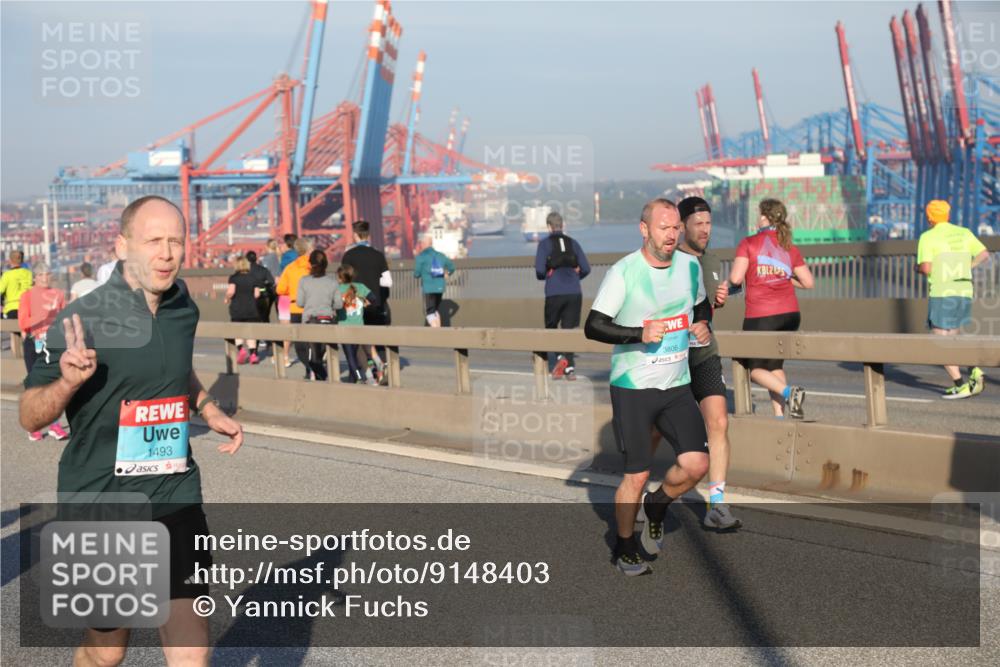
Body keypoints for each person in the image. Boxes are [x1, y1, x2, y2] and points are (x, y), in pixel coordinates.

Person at [19, 195, 244, 666]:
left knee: (191, 652)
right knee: (106, 652)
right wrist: (66, 382)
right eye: (154, 241)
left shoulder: (183, 304)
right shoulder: (80, 319)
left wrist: (205, 405)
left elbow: (175, 368)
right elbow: (30, 415)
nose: (166, 253)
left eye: (176, 241)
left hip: (175, 492)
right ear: (122, 246)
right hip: (103, 501)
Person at [584, 198, 712, 576]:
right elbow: (593, 326)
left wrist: (703, 323)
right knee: (636, 475)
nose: (672, 235)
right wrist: (639, 332)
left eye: (676, 228)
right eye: (663, 228)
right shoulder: (625, 272)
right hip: (634, 387)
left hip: (676, 384)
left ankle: (657, 504)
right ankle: (624, 547)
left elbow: (701, 306)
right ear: (644, 229)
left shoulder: (690, 266)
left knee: (696, 464)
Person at [677, 196, 740, 531]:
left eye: (709, 223)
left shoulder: (713, 260)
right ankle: (642, 490)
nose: (705, 230)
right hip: (671, 358)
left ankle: (716, 505)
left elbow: (713, 306)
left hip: (704, 353)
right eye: (698, 223)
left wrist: (720, 299)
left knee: (718, 422)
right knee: (659, 431)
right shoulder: (670, 260)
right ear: (683, 224)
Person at [728, 198, 814, 419]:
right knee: (774, 365)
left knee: (753, 368)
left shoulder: (748, 243)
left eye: (759, 214)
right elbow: (808, 282)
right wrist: (784, 277)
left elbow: (736, 278)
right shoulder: (789, 246)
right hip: (790, 314)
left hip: (761, 315)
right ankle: (779, 417)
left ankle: (790, 391)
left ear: (764, 217)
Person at [917, 199, 991, 399]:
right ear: (948, 215)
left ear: (929, 217)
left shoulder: (928, 237)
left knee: (941, 342)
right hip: (964, 291)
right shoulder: (964, 232)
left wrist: (918, 268)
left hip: (942, 292)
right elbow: (984, 254)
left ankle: (964, 382)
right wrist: (967, 267)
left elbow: (926, 268)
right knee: (953, 339)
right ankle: (970, 375)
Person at [535, 211, 590, 380]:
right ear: (562, 225)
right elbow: (586, 268)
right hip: (574, 291)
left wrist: (548, 274)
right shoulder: (573, 243)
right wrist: (575, 276)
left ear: (549, 227)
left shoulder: (544, 244)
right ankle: (570, 369)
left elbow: (539, 271)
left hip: (554, 292)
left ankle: (560, 357)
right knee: (569, 330)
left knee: (551, 328)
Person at [17, 261, 69, 441]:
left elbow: (65, 316)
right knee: (35, 386)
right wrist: (45, 313)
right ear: (35, 278)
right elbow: (23, 322)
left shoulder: (58, 294)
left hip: (54, 343)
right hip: (35, 343)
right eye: (41, 275)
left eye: (48, 274)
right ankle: (34, 426)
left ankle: (55, 425)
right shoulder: (27, 296)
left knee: (54, 384)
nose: (45, 278)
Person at [341, 220, 392, 383]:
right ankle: (381, 368)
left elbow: (345, 281)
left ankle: (368, 374)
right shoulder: (378, 255)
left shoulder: (349, 255)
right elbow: (388, 282)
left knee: (358, 342)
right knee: (375, 340)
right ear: (368, 235)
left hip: (355, 306)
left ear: (355, 235)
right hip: (375, 304)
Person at [296, 250, 343, 382]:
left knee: (312, 358)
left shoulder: (304, 281)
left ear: (310, 264)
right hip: (328, 321)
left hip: (310, 321)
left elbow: (300, 303)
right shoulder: (333, 282)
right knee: (321, 353)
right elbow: (339, 305)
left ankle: (322, 377)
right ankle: (324, 373)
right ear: (326, 264)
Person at [276, 237, 314, 377]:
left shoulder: (290, 268)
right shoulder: (313, 267)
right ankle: (316, 366)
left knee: (300, 343)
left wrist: (292, 290)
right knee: (314, 340)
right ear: (309, 250)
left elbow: (280, 289)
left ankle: (308, 369)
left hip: (296, 308)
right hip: (313, 308)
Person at [336, 264, 377, 384]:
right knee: (353, 356)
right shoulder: (361, 287)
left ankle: (360, 377)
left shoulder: (338, 289)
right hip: (359, 327)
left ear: (340, 278)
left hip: (344, 327)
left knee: (350, 357)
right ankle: (351, 381)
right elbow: (374, 299)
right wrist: (365, 304)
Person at [225, 256, 261, 365]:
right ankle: (253, 355)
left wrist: (226, 298)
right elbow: (257, 294)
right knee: (251, 333)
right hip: (251, 309)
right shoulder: (253, 278)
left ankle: (241, 350)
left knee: (238, 331)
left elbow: (231, 292)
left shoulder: (234, 278)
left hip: (237, 309)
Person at [413, 234, 455, 327]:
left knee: (430, 314)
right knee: (435, 311)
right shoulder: (441, 256)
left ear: (423, 244)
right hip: (440, 288)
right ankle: (439, 333)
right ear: (431, 244)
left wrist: (418, 274)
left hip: (429, 289)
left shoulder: (421, 257)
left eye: (421, 244)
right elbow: (452, 267)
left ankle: (436, 336)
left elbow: (416, 274)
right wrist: (447, 273)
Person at [0, 249, 33, 320]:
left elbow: (1, 290)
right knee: (24, 329)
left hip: (11, 308)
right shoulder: (29, 273)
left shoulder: (7, 275)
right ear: (22, 260)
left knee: (13, 328)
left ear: (10, 261)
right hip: (26, 307)